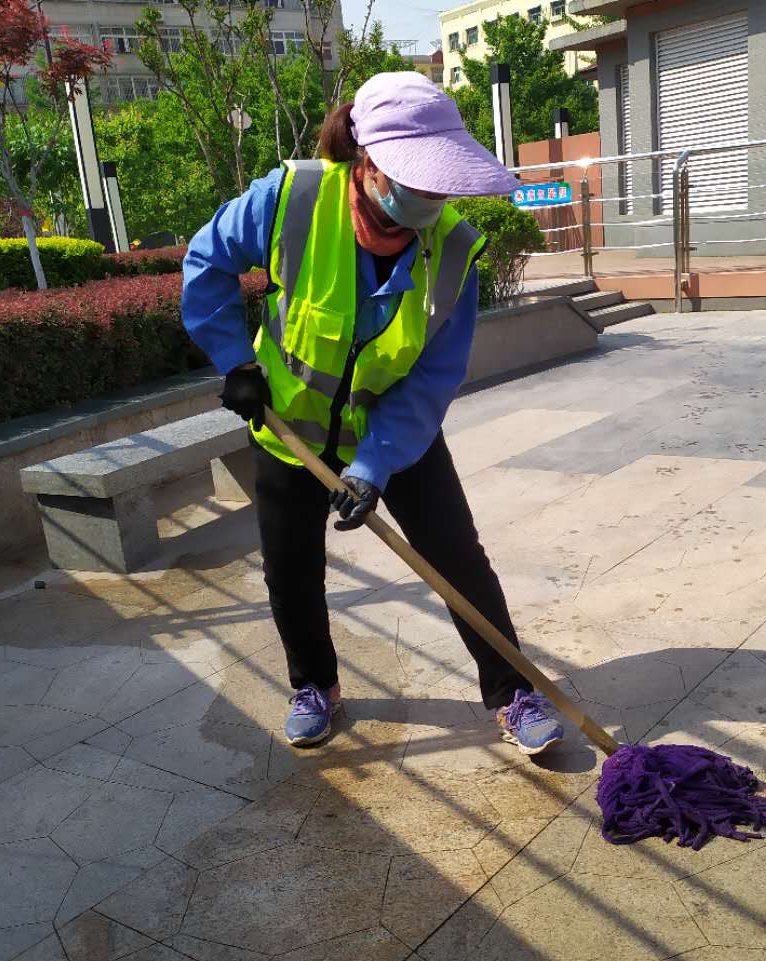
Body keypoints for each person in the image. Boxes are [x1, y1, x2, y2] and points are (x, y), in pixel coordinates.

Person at [182, 72, 564, 756]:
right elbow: (206, 263)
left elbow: (434, 374)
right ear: (368, 163)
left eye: (438, 190)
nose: (426, 206)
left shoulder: (453, 250)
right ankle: (314, 686)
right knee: (291, 568)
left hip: (395, 432)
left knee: (456, 558)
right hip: (290, 428)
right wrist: (236, 363)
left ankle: (512, 691)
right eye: (413, 187)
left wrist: (374, 463)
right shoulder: (291, 200)